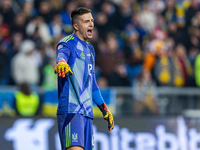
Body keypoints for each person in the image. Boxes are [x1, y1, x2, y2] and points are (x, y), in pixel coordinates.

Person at [54, 7, 114, 150]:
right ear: (76, 26)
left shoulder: (90, 50)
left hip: (87, 114)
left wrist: (104, 108)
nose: (91, 24)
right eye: (86, 21)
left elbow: (92, 84)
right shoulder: (67, 42)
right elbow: (61, 55)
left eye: (92, 21)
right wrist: (61, 63)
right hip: (71, 111)